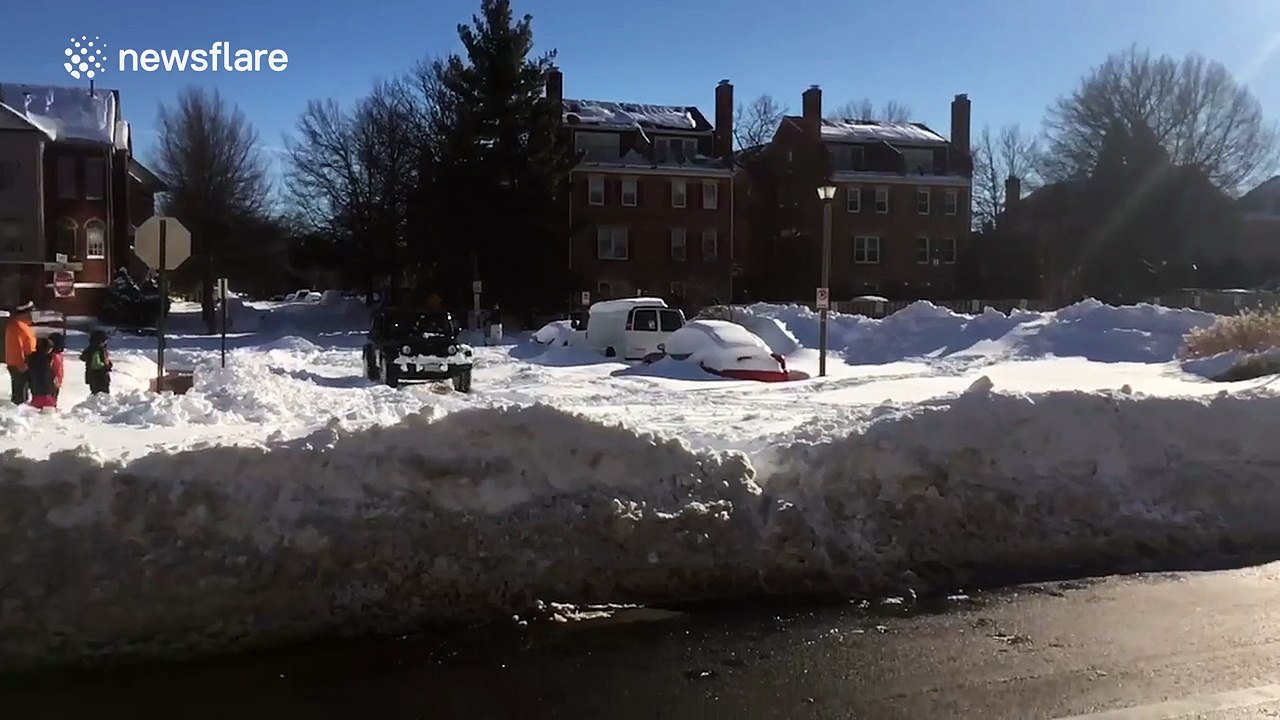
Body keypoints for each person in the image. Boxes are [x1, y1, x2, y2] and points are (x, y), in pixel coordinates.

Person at [4, 301, 36, 404]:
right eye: (30, 313)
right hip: (19, 365)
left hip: (23, 363)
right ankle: (17, 410)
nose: (32, 315)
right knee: (20, 394)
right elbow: (17, 346)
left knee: (23, 392)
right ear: (24, 314)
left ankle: (20, 408)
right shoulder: (17, 327)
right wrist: (22, 364)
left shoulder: (23, 326)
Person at [26, 337, 56, 410]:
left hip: (35, 388)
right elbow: (48, 374)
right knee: (48, 410)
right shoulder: (47, 358)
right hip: (46, 390)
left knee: (35, 410)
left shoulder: (31, 357)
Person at [80, 329, 112, 395]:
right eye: (105, 340)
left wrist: (109, 363)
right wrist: (106, 366)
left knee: (97, 394)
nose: (106, 342)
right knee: (101, 395)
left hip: (94, 377)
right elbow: (96, 364)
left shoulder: (96, 349)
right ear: (100, 340)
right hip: (99, 377)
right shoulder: (96, 350)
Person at [48, 333, 66, 402]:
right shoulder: (56, 356)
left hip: (54, 380)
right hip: (55, 380)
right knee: (52, 398)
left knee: (52, 398)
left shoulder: (54, 356)